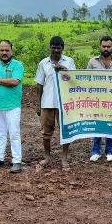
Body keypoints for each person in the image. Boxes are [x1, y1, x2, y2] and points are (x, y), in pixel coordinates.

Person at [34, 36, 76, 171]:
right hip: (47, 102)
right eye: (54, 47)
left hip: (64, 103)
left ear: (62, 48)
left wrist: (63, 70)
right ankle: (47, 157)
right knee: (46, 133)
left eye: (59, 48)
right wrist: (38, 103)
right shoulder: (43, 63)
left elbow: (74, 81)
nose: (56, 50)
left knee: (65, 131)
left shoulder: (69, 62)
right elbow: (39, 85)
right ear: (50, 47)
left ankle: (64, 158)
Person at [0, 40, 25, 173]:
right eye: (1, 50)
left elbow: (14, 81)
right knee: (0, 133)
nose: (4, 53)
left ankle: (17, 161)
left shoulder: (17, 65)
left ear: (11, 51)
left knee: (14, 133)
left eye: (7, 50)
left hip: (12, 105)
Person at [86, 35, 112, 162]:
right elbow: (86, 80)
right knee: (97, 124)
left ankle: (109, 151)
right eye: (104, 46)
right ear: (100, 47)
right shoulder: (92, 62)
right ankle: (95, 151)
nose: (106, 48)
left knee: (110, 124)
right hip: (96, 100)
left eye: (108, 46)